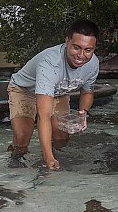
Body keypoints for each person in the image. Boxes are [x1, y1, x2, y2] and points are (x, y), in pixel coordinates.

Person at [7, 19, 100, 170]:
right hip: (25, 90)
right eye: (76, 47)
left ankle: (54, 156)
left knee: (61, 136)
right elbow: (44, 116)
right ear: (67, 42)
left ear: (94, 48)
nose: (81, 55)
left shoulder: (93, 63)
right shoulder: (50, 62)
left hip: (58, 92)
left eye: (88, 50)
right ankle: (14, 164)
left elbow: (87, 91)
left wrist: (83, 113)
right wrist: (48, 158)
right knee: (22, 138)